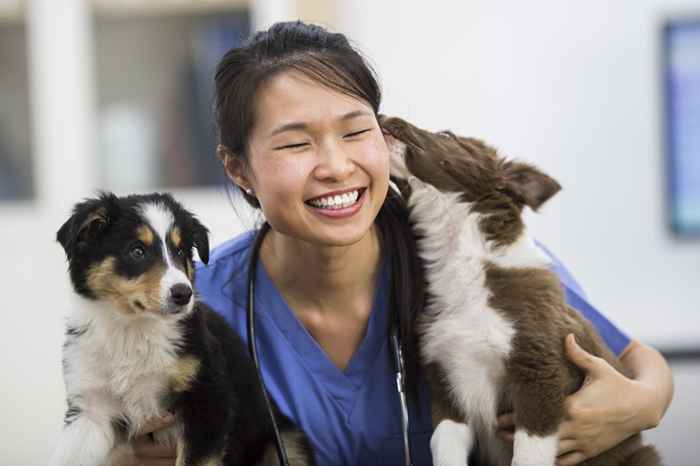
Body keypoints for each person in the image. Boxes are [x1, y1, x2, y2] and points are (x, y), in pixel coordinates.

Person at [111, 21, 674, 466]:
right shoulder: (195, 302)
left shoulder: (464, 250)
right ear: (238, 169)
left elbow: (636, 361)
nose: (336, 166)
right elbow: (124, 433)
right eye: (295, 144)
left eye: (357, 132)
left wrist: (642, 404)